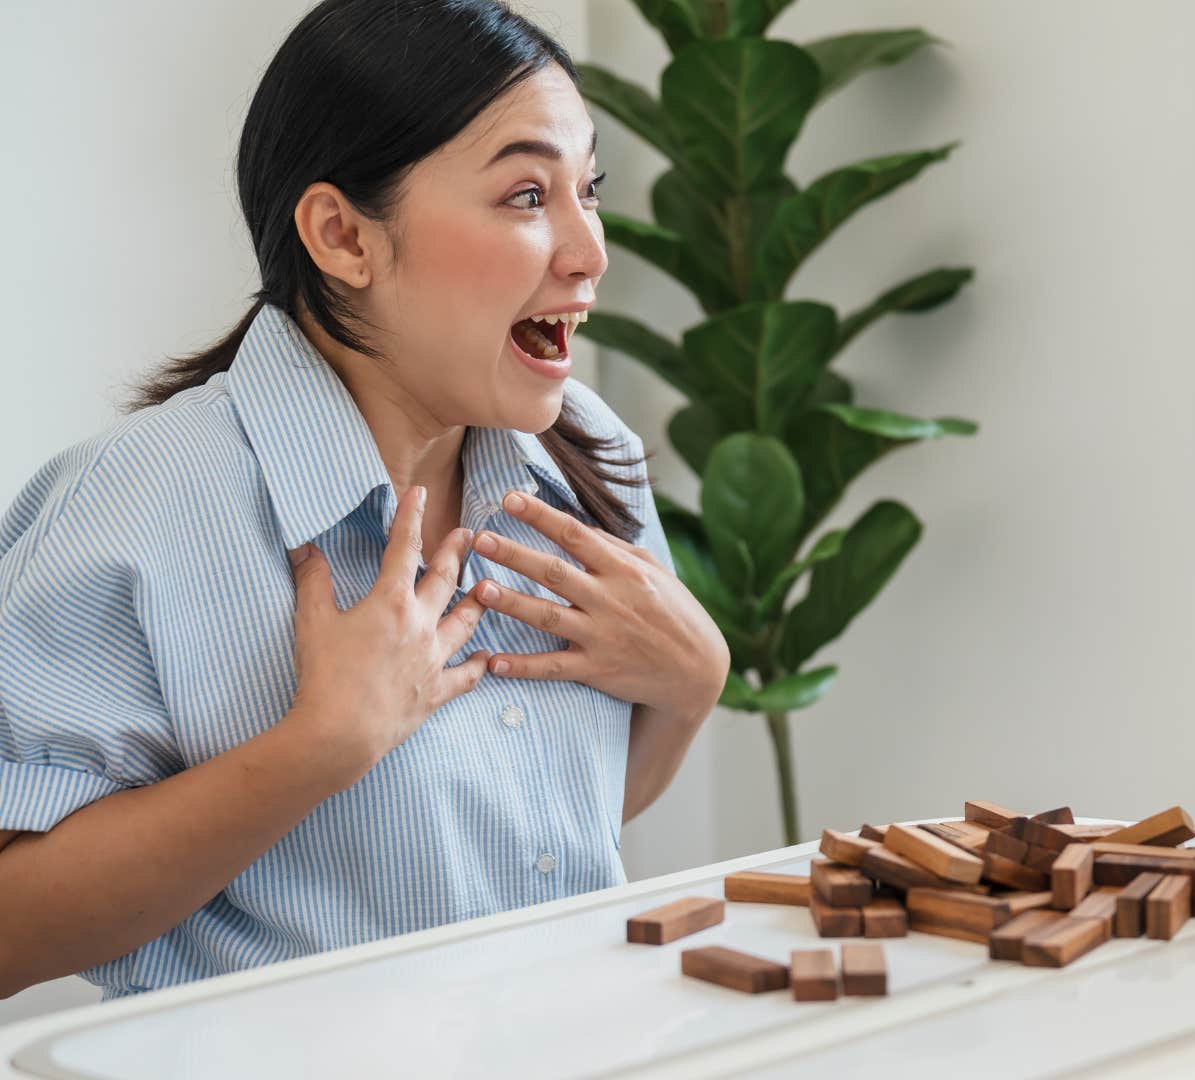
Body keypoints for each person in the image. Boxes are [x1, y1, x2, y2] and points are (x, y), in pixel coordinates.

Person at [0, 0, 728, 1000]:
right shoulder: (137, 504)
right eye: (526, 195)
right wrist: (318, 751)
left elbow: (551, 830)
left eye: (587, 191)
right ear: (343, 236)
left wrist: (690, 690)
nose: (590, 250)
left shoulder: (587, 452)